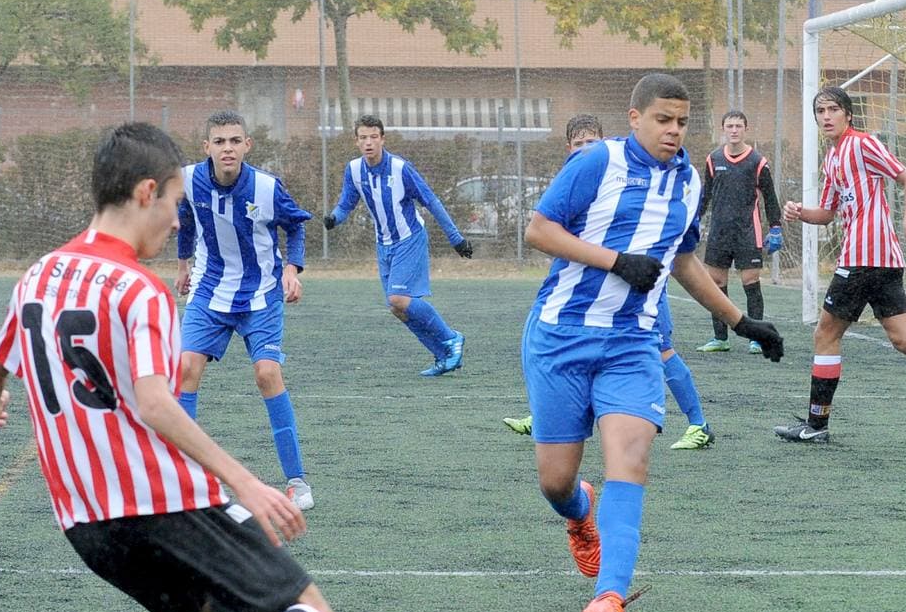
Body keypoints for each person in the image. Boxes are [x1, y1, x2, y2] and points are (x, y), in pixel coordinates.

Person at [0, 122, 351, 612]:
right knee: (309, 611)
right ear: (146, 192)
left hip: (85, 528)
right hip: (160, 502)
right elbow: (154, 402)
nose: (180, 219)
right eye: (175, 201)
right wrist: (246, 480)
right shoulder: (138, 287)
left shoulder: (39, 274)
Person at [522, 73, 783, 612]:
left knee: (630, 459)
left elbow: (684, 260)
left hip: (632, 343)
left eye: (682, 121)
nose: (673, 130)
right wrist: (615, 261)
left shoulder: (691, 180)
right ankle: (579, 511)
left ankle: (609, 597)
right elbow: (539, 230)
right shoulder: (597, 163)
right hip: (560, 337)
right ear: (635, 117)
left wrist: (743, 322)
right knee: (556, 483)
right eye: (663, 119)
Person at [775, 86, 906, 447]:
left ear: (848, 115)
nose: (826, 116)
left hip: (863, 259)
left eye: (833, 109)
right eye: (820, 111)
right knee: (905, 338)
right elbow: (828, 214)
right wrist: (800, 212)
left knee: (825, 334)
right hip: (882, 262)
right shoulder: (832, 159)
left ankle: (816, 424)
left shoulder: (863, 144)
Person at [503, 114, 718, 451]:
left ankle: (698, 423)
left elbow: (677, 254)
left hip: (640, 294)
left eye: (592, 141)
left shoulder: (630, 173)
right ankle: (549, 414)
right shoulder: (582, 177)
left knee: (662, 351)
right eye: (579, 144)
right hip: (590, 297)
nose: (586, 148)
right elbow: (552, 233)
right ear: (568, 148)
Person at [174, 111, 315, 510]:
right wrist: (183, 264)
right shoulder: (188, 179)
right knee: (185, 368)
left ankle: (298, 482)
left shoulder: (268, 188)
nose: (227, 148)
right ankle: (183, 480)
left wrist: (291, 269)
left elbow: (297, 226)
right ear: (207, 148)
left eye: (235, 141)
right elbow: (186, 219)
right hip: (209, 291)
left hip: (262, 292)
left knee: (267, 373)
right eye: (219, 142)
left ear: (247, 145)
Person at [323, 114, 473, 377]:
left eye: (373, 137)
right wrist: (334, 218)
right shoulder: (355, 170)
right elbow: (347, 202)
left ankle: (452, 338)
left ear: (383, 139)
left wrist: (456, 239)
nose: (368, 142)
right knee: (397, 308)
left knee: (398, 298)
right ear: (356, 141)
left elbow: (431, 201)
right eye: (363, 138)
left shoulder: (400, 169)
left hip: (409, 240)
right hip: (384, 245)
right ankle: (444, 355)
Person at [696, 110, 783, 354]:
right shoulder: (713, 159)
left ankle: (756, 338)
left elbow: (770, 198)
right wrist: (695, 220)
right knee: (716, 283)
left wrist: (775, 227)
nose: (734, 130)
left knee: (750, 282)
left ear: (746, 129)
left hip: (747, 231)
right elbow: (706, 195)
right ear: (723, 129)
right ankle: (720, 338)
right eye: (730, 126)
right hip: (719, 233)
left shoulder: (758, 162)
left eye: (738, 126)